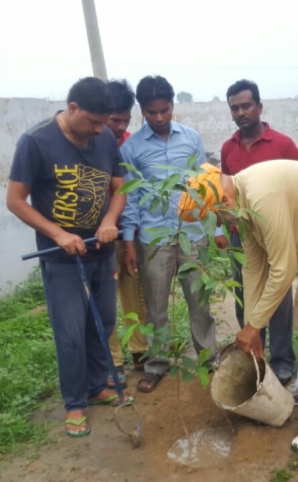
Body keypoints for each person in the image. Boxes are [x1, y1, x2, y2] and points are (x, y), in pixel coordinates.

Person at [179, 160, 298, 452]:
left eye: (217, 217)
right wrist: (252, 325)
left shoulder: (261, 195)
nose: (223, 225)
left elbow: (283, 270)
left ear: (224, 201)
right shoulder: (242, 205)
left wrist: (254, 326)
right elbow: (253, 268)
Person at [7, 77, 129, 437]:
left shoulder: (104, 136)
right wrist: (59, 234)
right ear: (72, 108)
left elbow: (121, 187)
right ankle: (75, 402)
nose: (99, 130)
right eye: (93, 121)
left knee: (103, 322)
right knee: (71, 332)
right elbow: (15, 200)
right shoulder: (36, 141)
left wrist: (109, 219)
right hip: (62, 258)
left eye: (103, 123)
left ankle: (96, 386)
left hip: (101, 252)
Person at [120, 75, 216, 393]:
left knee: (199, 302)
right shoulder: (132, 148)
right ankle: (157, 363)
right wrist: (129, 241)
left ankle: (207, 359)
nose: (160, 118)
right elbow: (131, 198)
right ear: (142, 111)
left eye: (165, 110)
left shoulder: (190, 138)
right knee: (156, 305)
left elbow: (204, 186)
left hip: (191, 235)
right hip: (153, 238)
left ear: (173, 105)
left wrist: (210, 228)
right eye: (152, 112)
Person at [217, 79, 298, 385]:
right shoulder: (229, 148)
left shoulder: (282, 145)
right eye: (234, 108)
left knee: (278, 294)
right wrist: (221, 227)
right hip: (242, 233)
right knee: (245, 290)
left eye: (246, 105)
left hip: (277, 231)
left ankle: (282, 359)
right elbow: (225, 190)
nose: (240, 112)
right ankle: (254, 351)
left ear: (259, 107)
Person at [105, 79, 148, 389]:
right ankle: (113, 361)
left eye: (125, 120)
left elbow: (134, 193)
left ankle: (140, 352)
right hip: (97, 238)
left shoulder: (129, 145)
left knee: (135, 294)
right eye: (114, 119)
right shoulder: (88, 144)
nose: (120, 126)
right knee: (106, 297)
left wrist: (130, 235)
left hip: (127, 232)